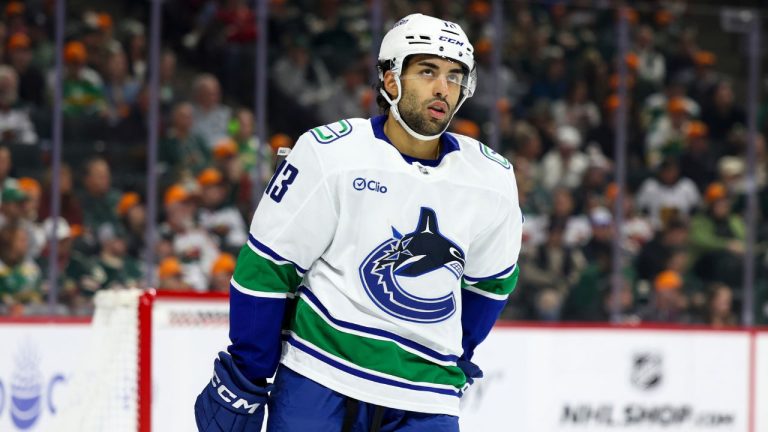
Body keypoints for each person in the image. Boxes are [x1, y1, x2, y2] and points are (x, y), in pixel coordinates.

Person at [195, 14, 523, 432]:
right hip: (320, 376)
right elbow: (266, 269)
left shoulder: (491, 180)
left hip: (426, 394)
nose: (444, 88)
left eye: (455, 76)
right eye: (428, 72)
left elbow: (490, 285)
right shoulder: (329, 154)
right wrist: (248, 371)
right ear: (390, 81)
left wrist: (454, 357)